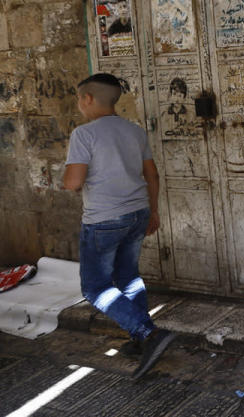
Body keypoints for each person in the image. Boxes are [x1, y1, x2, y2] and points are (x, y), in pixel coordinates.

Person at [62, 73, 176, 379]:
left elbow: (73, 182)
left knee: (95, 287)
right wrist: (153, 211)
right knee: (128, 276)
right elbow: (152, 175)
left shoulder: (83, 135)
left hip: (104, 220)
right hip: (138, 213)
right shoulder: (135, 132)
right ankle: (140, 340)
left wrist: (65, 178)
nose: (79, 104)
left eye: (78, 99)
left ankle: (148, 333)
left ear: (87, 99)